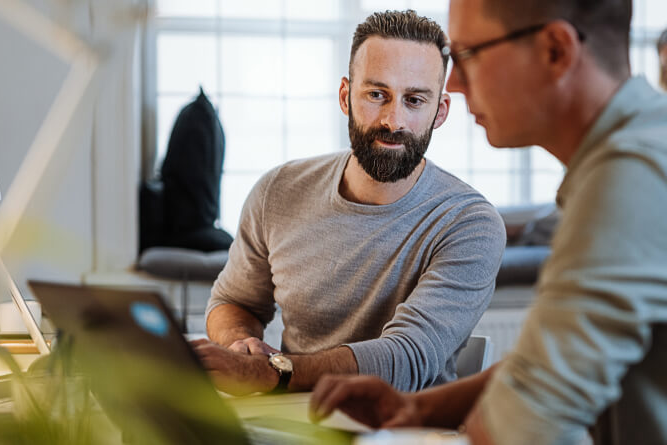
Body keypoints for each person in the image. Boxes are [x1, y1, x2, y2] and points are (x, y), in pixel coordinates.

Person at [308, 0, 667, 444]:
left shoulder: (641, 178)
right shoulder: (651, 143)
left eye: (470, 53)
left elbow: (520, 429)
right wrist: (415, 408)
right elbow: (539, 371)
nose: (453, 85)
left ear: (556, 50)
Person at [191, 9, 506, 397]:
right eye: (377, 95)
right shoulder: (278, 191)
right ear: (345, 96)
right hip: (288, 422)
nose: (394, 120)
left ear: (439, 112)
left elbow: (405, 359)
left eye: (414, 100)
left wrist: (269, 373)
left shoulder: (470, 224)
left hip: (403, 430)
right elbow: (234, 301)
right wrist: (240, 344)